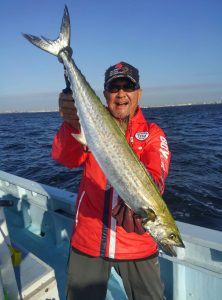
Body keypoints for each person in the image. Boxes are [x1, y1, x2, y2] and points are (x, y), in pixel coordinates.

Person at [52, 62, 171, 300]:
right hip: (89, 239)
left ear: (139, 92)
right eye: (114, 86)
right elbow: (65, 158)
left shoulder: (153, 133)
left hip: (138, 245)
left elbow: (156, 173)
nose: (121, 93)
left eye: (128, 85)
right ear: (105, 93)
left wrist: (146, 195)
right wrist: (71, 124)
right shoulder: (91, 125)